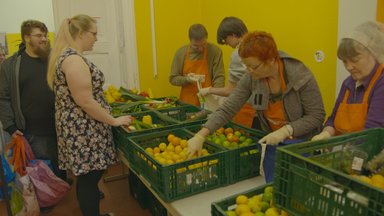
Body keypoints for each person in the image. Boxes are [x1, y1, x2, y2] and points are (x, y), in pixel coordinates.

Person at [187, 31, 325, 182]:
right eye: (246, 66)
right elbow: (229, 108)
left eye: (253, 66)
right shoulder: (252, 78)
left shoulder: (300, 75)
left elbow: (316, 115)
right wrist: (201, 134)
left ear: (271, 60)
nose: (249, 71)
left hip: (303, 148)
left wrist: (286, 130)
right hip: (275, 144)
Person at [47, 14, 132, 216]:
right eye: (93, 33)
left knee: (88, 177)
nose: (96, 38)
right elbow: (85, 101)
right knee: (89, 177)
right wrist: (113, 120)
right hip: (83, 131)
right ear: (81, 33)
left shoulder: (67, 57)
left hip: (81, 129)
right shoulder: (73, 60)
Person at [0, 20, 69, 187]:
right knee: (43, 168)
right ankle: (48, 197)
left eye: (45, 35)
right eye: (39, 35)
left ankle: (61, 183)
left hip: (60, 123)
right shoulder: (11, 65)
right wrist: (10, 125)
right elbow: (3, 97)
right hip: (33, 129)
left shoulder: (55, 59)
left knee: (61, 162)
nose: (44, 39)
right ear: (26, 38)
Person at [312, 21, 384, 141]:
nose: (349, 67)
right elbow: (333, 120)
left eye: (354, 60)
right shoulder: (348, 83)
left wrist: (347, 154)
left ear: (374, 54)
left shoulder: (381, 83)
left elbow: (371, 134)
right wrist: (325, 134)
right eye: (345, 61)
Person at [199, 16, 256, 127]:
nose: (226, 44)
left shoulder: (237, 54)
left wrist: (210, 90)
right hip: (266, 108)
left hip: (248, 109)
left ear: (233, 34)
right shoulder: (258, 45)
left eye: (226, 40)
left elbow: (231, 91)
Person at [169, 23, 225, 107]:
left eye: (203, 45)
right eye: (196, 46)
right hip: (188, 104)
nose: (200, 48)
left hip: (209, 101)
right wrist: (187, 79)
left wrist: (215, 97)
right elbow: (173, 78)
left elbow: (219, 77)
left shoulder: (215, 51)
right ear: (190, 40)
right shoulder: (181, 53)